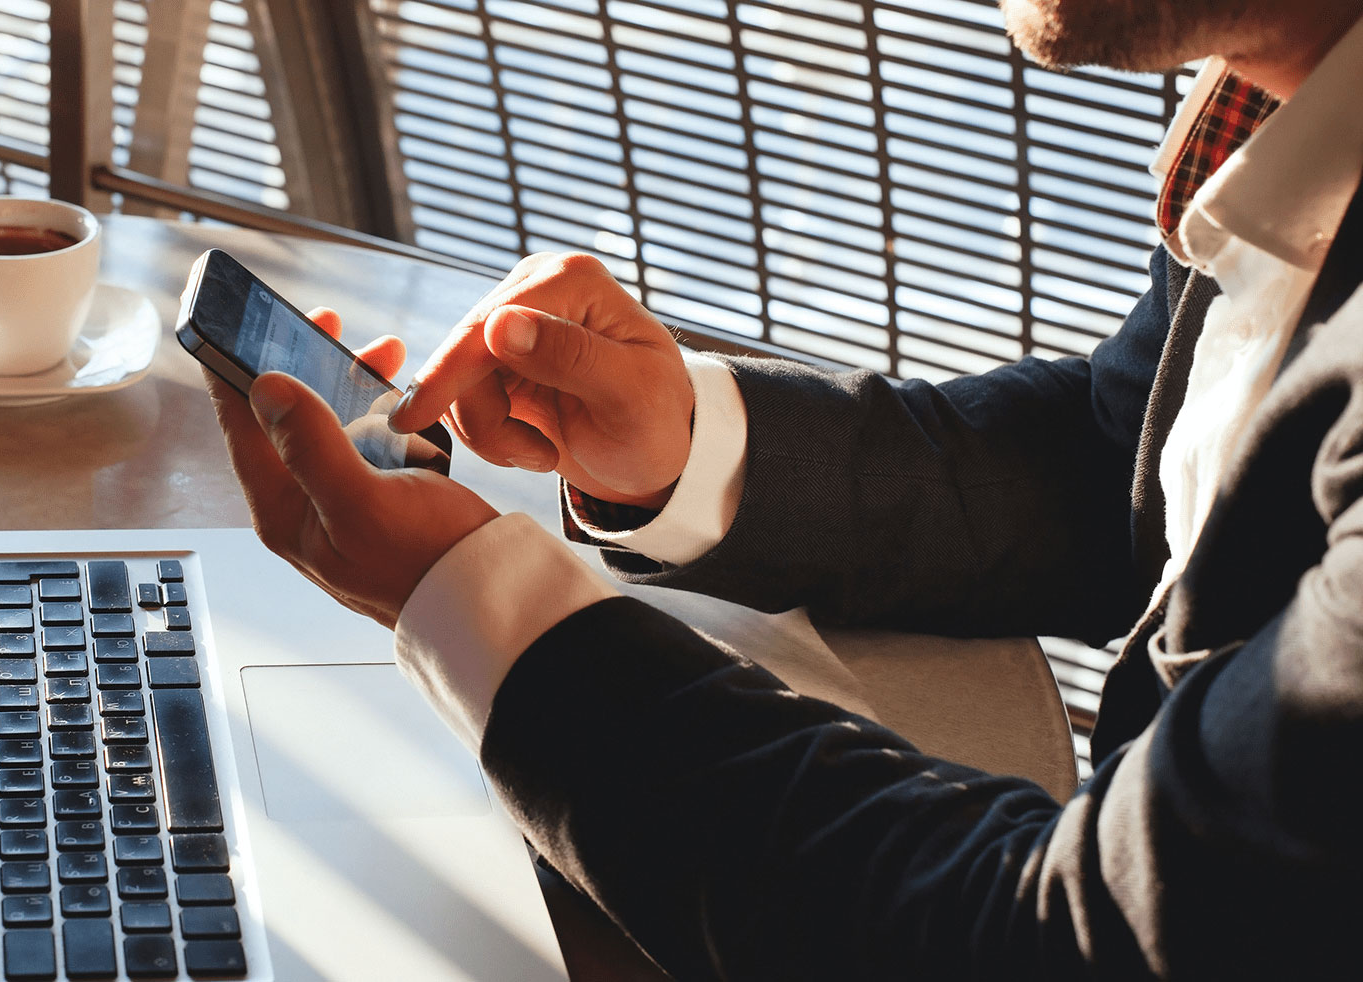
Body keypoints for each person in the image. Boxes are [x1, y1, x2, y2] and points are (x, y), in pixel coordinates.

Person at [204, 0, 1363, 976]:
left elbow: (1060, 940)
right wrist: (688, 448)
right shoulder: (1289, 105)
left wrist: (480, 607)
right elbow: (1127, 461)